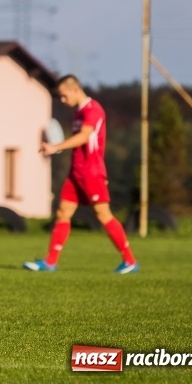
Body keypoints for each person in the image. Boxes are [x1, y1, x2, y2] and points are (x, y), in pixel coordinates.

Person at [24, 74, 138, 274]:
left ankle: (130, 261)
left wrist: (56, 147)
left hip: (91, 173)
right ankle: (50, 262)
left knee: (103, 215)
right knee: (62, 213)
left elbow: (85, 137)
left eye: (64, 95)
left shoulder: (93, 110)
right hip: (76, 172)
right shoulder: (78, 113)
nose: (62, 100)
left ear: (75, 88)